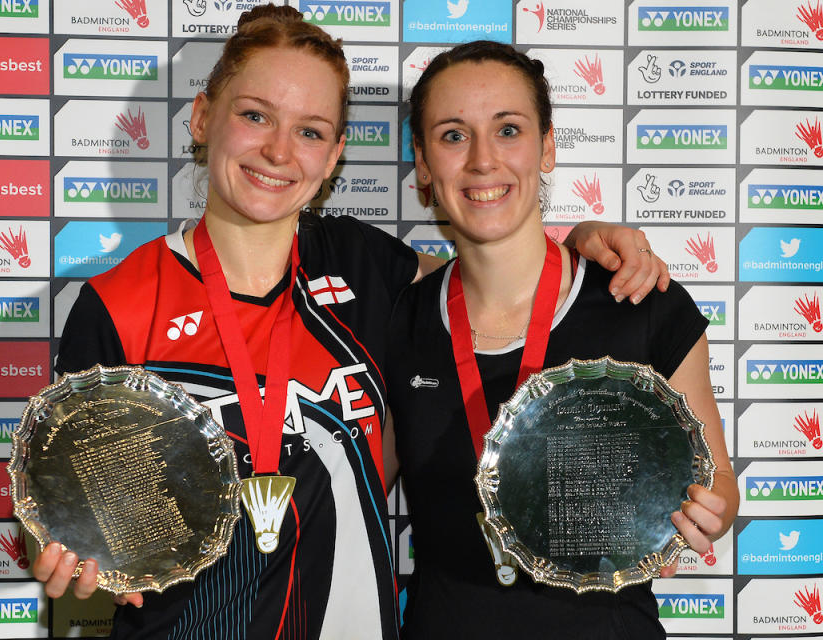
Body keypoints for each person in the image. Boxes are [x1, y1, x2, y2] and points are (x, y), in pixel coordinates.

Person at [33, 8, 671, 639]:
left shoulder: (369, 270)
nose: (279, 151)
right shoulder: (119, 303)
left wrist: (590, 240)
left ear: (336, 153)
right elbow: (72, 501)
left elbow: (499, 271)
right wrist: (71, 548)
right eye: (254, 116)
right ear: (203, 118)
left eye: (310, 131)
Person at [385, 41, 739, 639]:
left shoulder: (640, 301)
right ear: (421, 162)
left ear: (547, 146)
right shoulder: (399, 319)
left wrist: (710, 511)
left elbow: (719, 485)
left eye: (508, 129)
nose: (481, 161)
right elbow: (356, 489)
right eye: (452, 135)